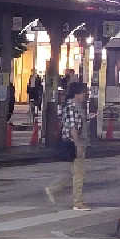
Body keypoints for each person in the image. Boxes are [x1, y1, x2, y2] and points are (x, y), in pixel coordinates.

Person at [45, 81, 89, 210]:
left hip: (74, 142)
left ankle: (53, 189)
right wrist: (78, 145)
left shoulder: (74, 106)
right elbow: (73, 128)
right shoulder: (72, 107)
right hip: (73, 142)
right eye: (83, 93)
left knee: (73, 173)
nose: (84, 96)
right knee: (79, 174)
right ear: (77, 94)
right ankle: (78, 203)